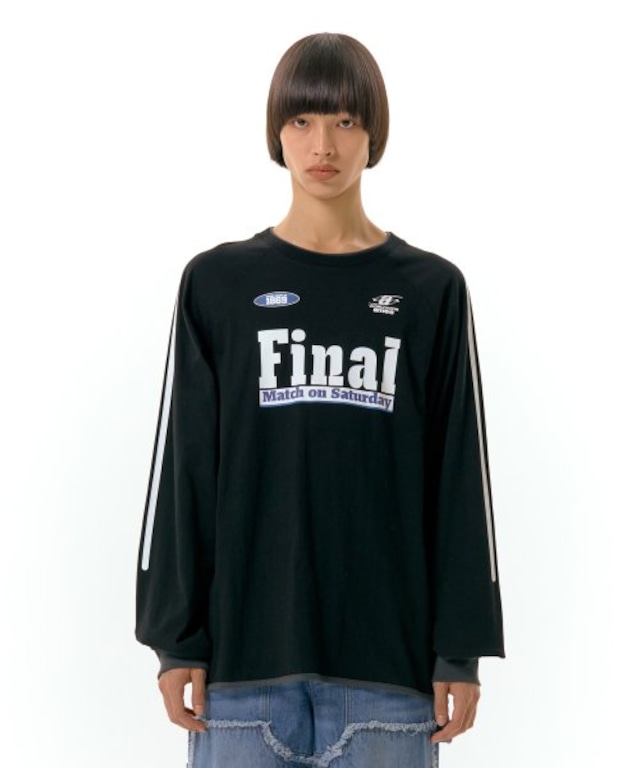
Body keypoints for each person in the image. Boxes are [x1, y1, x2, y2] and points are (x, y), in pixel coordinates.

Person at [136, 32, 504, 768]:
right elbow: (184, 470)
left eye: (345, 120)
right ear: (276, 133)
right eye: (302, 120)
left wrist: (460, 649)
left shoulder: (431, 290)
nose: (323, 144)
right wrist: (176, 640)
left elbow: (459, 474)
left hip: (390, 681)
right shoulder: (217, 284)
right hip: (241, 678)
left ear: (374, 134)